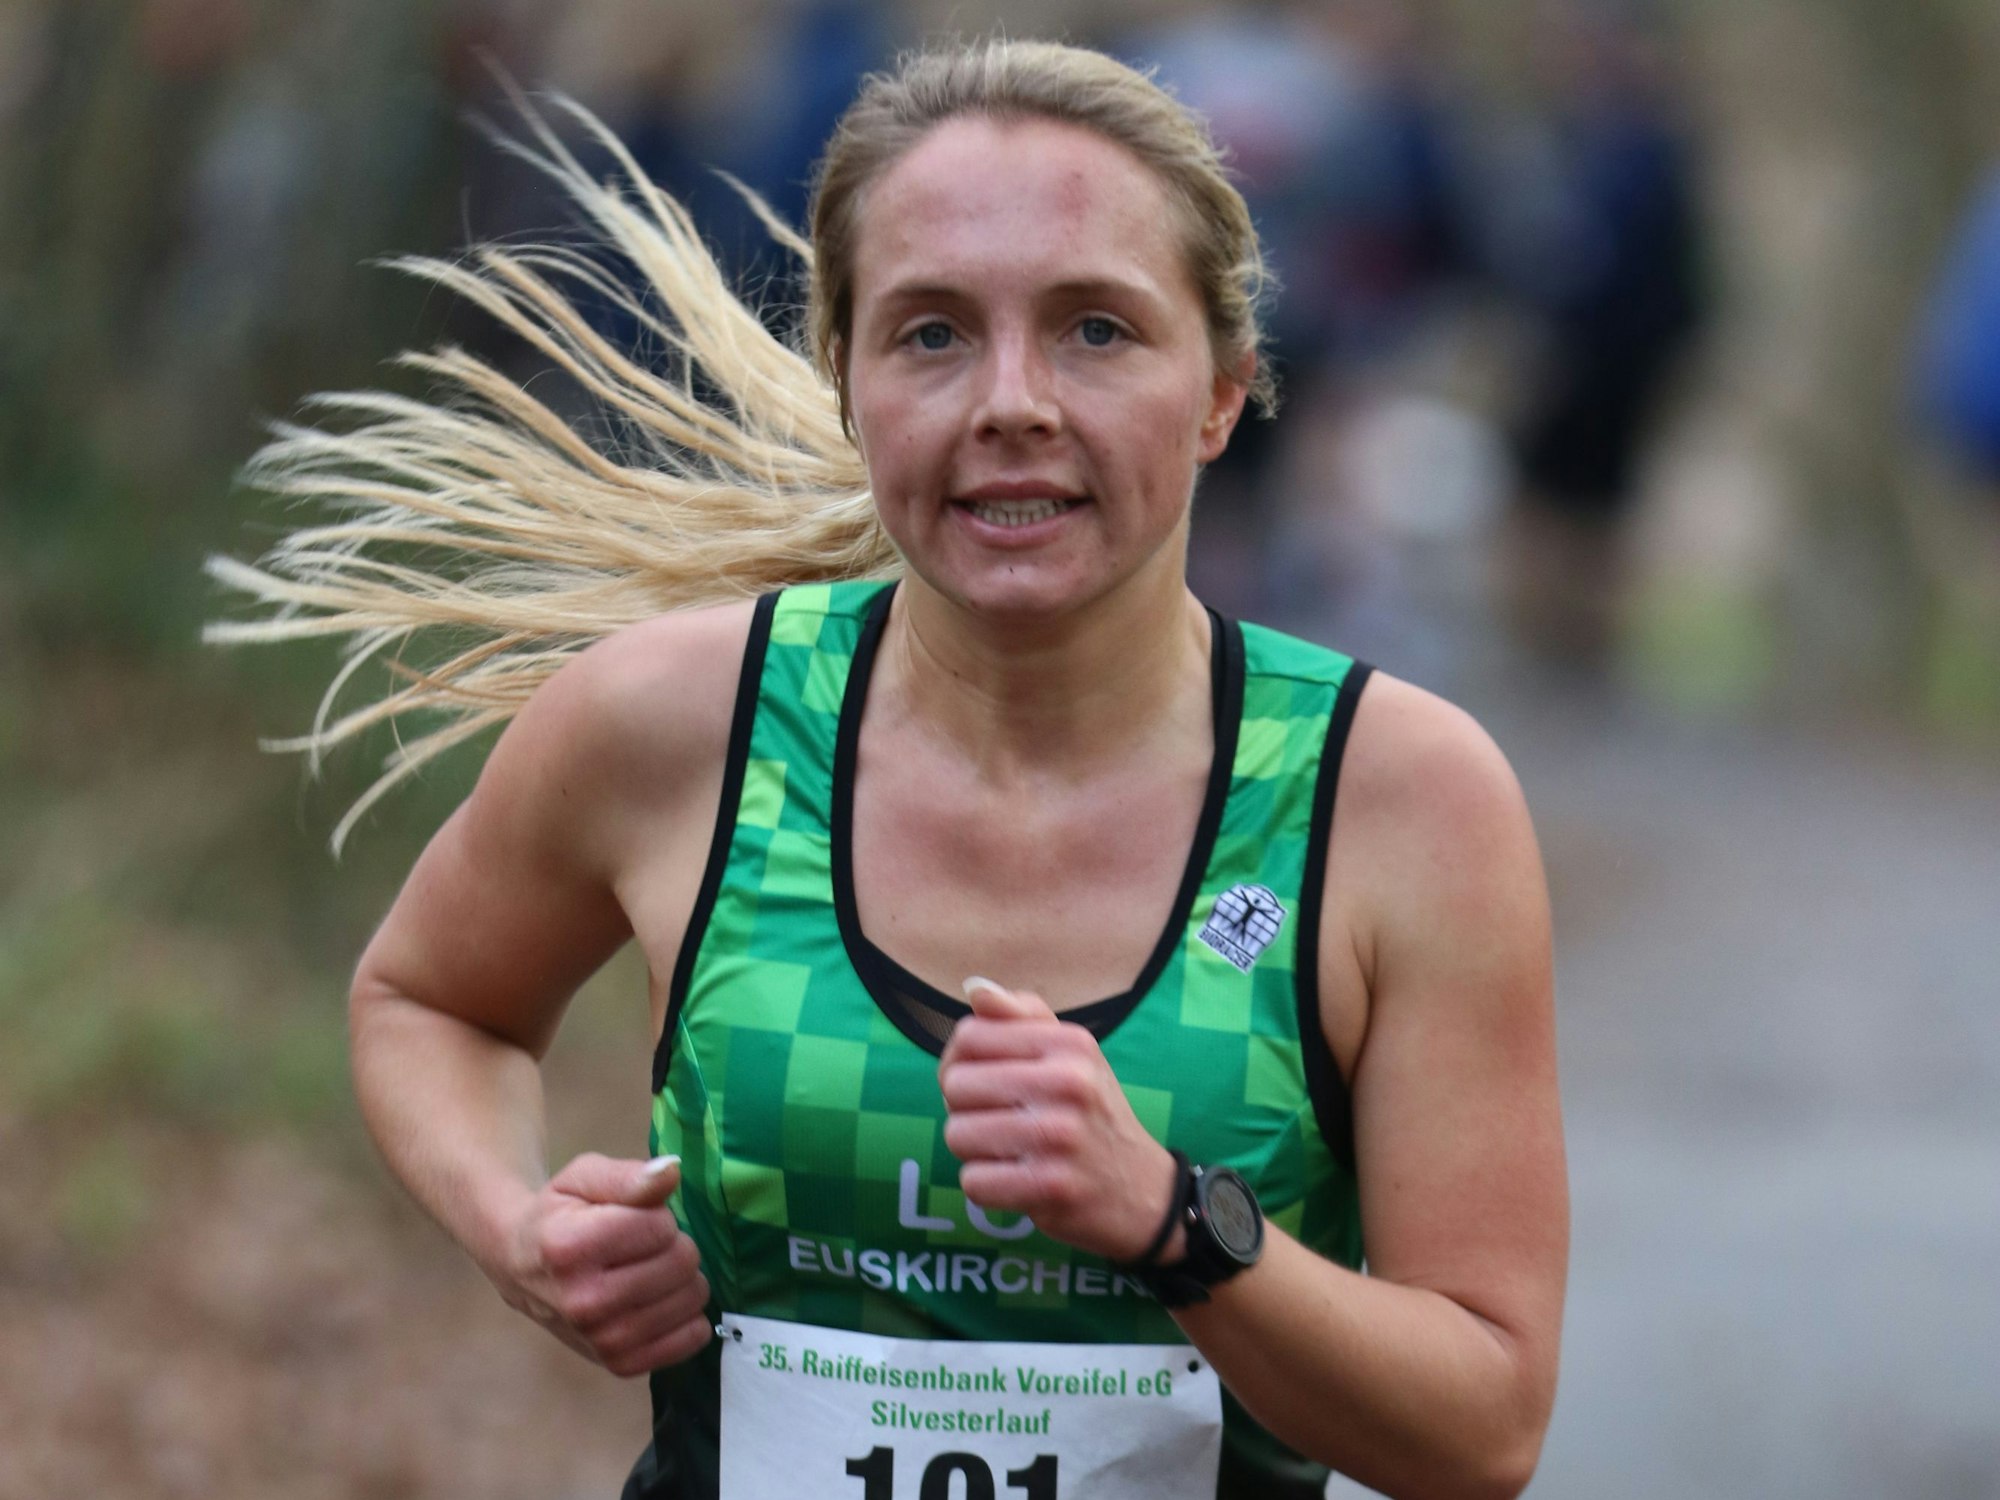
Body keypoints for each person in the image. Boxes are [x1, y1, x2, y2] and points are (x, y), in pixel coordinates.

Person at [212, 38, 1566, 1500]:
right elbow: (431, 1001)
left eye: (1096, 330)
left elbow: (1483, 1429)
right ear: (850, 385)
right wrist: (518, 1227)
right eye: (931, 334)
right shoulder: (680, 724)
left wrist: (1178, 1227)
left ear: (1223, 392)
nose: (1012, 401)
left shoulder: (1391, 800)